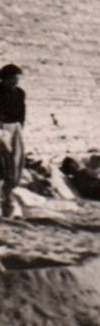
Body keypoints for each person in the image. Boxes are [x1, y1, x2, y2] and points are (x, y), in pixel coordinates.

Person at [0, 65, 26, 219]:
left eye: (18, 78)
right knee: (2, 164)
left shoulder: (19, 93)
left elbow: (22, 112)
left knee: (15, 164)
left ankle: (8, 204)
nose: (17, 81)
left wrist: (20, 127)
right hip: (2, 129)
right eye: (14, 77)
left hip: (15, 128)